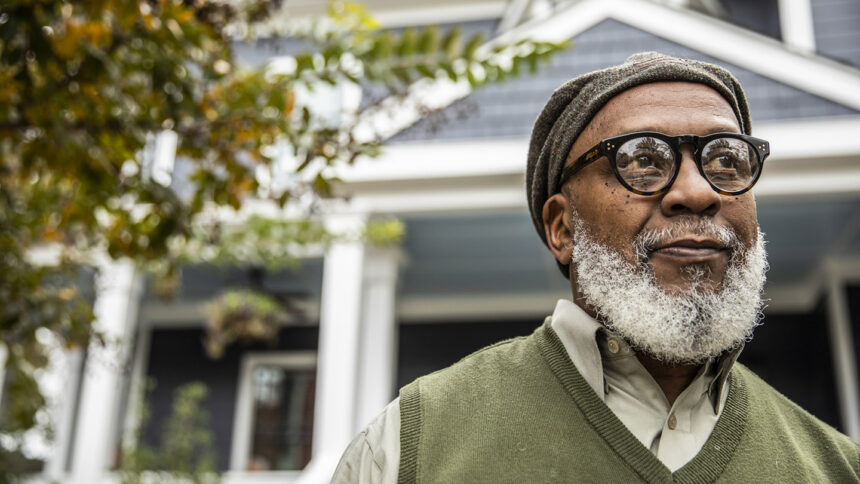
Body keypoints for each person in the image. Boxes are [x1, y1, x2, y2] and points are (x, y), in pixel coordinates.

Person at [332, 52, 860, 483]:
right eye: (643, 160)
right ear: (562, 228)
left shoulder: (837, 467)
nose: (697, 192)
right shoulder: (412, 445)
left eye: (725, 159)